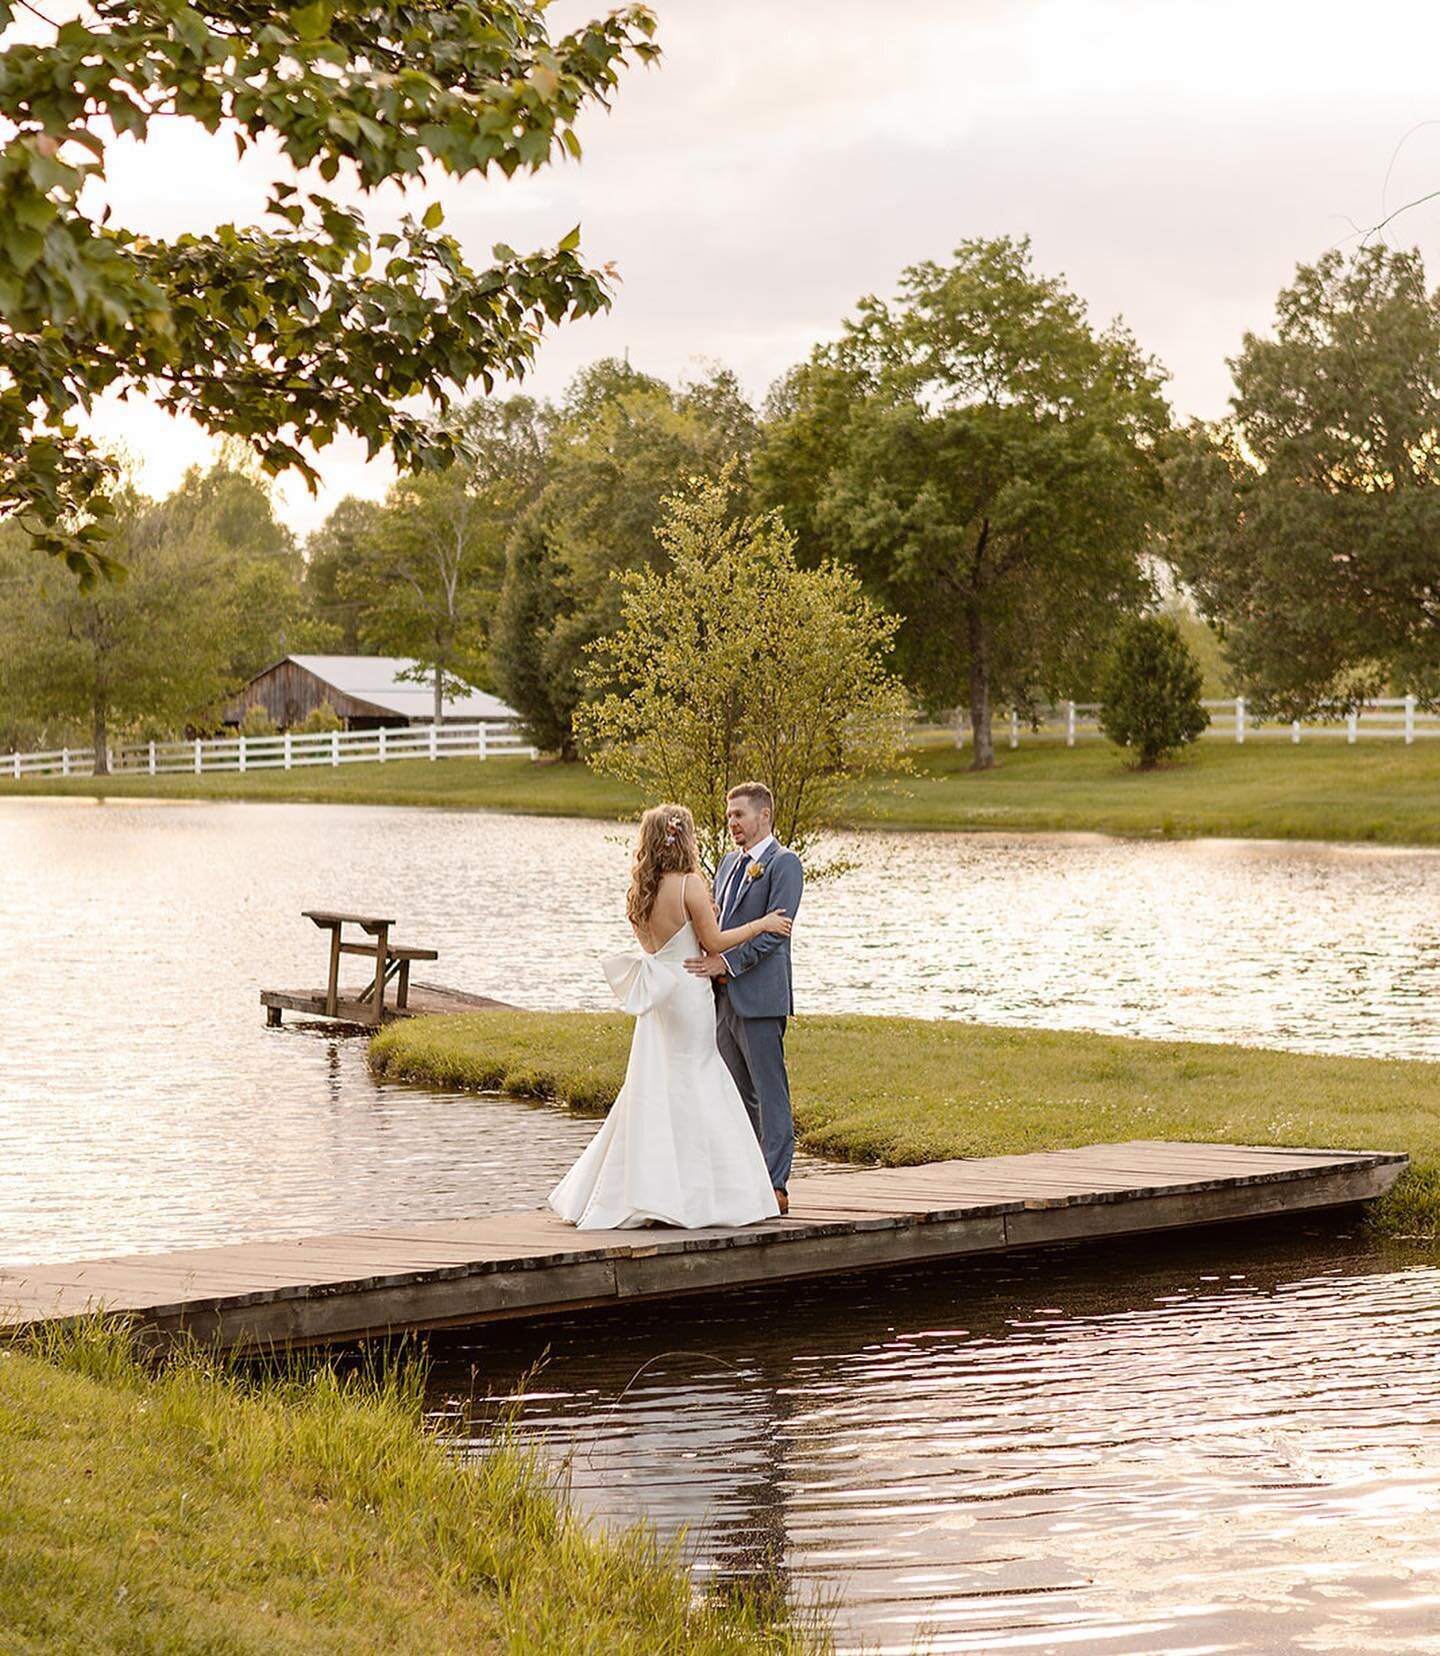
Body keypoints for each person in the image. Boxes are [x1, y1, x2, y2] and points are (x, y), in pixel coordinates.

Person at [548, 804, 793, 1230]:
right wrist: (762, 925)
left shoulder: (640, 891)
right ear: (684, 837)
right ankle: (712, 1195)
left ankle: (648, 1191)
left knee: (657, 1087)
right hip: (689, 992)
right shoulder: (689, 884)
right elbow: (713, 940)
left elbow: (657, 946)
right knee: (701, 1081)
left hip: (659, 994)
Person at [684, 781, 804, 1215]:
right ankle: (743, 1177)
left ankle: (775, 1184)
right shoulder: (729, 864)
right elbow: (716, 922)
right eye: (729, 815)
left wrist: (726, 964)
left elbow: (776, 936)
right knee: (734, 1094)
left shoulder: (784, 864)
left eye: (739, 815)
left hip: (759, 997)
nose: (732, 822)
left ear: (764, 815)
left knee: (770, 1093)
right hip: (722, 999)